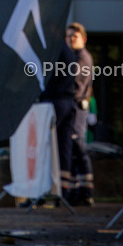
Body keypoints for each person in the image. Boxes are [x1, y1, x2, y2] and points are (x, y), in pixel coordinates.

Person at [40, 37, 78, 200]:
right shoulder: (68, 51)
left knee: (45, 147)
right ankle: (63, 190)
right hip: (67, 102)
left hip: (54, 103)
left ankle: (44, 191)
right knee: (64, 147)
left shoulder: (54, 49)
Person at [66, 22, 95, 206]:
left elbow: (77, 85)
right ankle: (78, 190)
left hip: (76, 108)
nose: (70, 40)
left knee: (79, 147)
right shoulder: (75, 57)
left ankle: (85, 191)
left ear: (83, 39)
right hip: (74, 107)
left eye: (74, 37)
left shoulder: (81, 58)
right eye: (68, 37)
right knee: (75, 150)